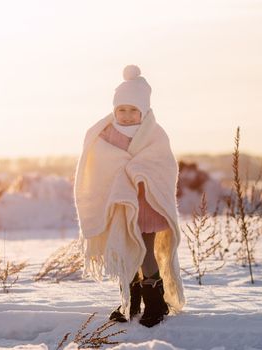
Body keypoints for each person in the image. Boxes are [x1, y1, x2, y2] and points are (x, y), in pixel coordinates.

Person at [74, 65, 186, 327]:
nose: (126, 116)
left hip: (148, 204)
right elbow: (99, 164)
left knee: (145, 252)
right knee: (125, 251)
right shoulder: (105, 133)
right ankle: (131, 300)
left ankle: (155, 302)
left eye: (132, 110)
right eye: (121, 110)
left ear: (143, 110)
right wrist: (120, 171)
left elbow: (165, 166)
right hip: (120, 205)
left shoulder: (154, 134)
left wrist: (138, 171)